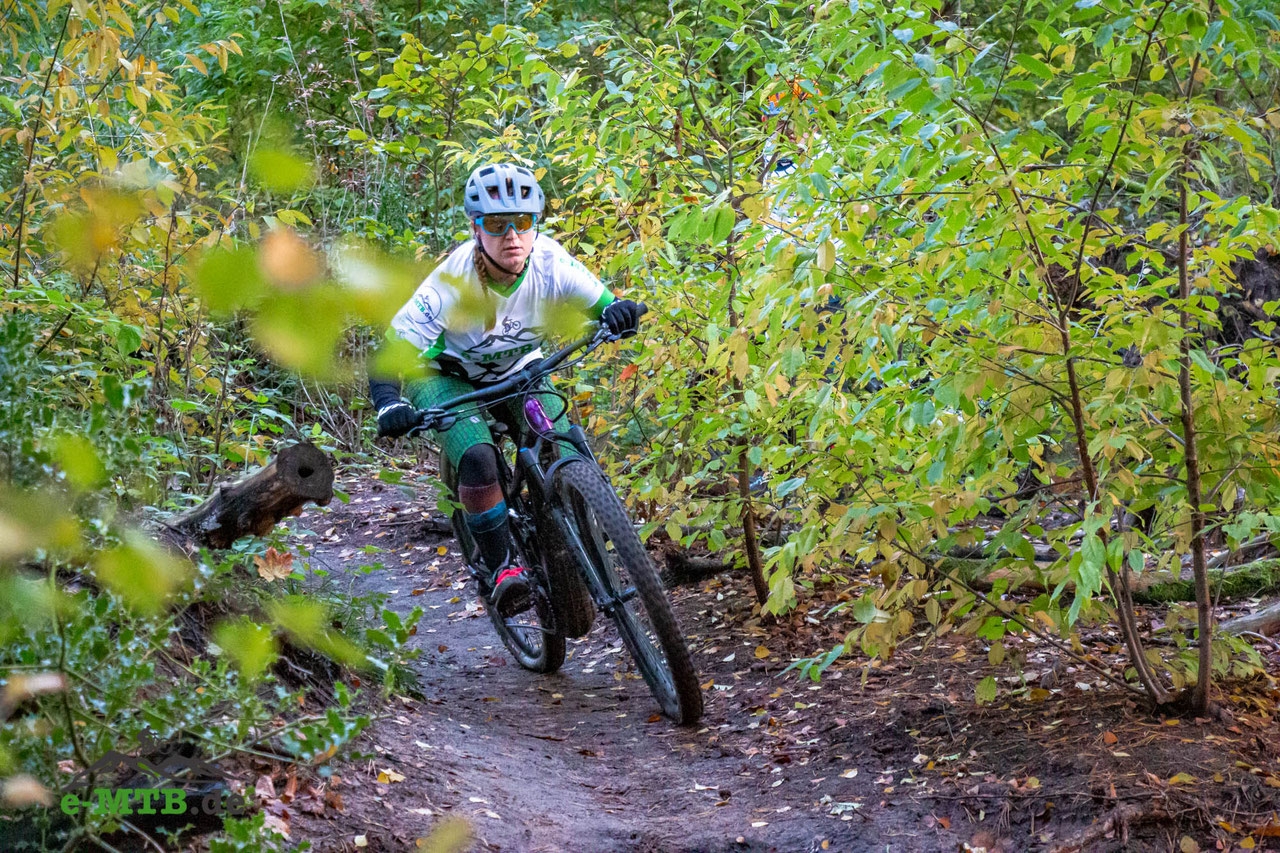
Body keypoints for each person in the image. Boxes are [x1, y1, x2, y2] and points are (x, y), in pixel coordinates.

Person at [369, 162, 644, 614]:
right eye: (498, 225)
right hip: (445, 378)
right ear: (477, 229)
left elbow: (607, 305)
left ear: (536, 225)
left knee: (560, 444)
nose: (512, 236)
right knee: (478, 460)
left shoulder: (553, 263)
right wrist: (388, 403)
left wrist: (619, 314)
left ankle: (579, 533)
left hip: (521, 370)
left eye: (524, 222)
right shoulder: (450, 285)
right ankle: (501, 567)